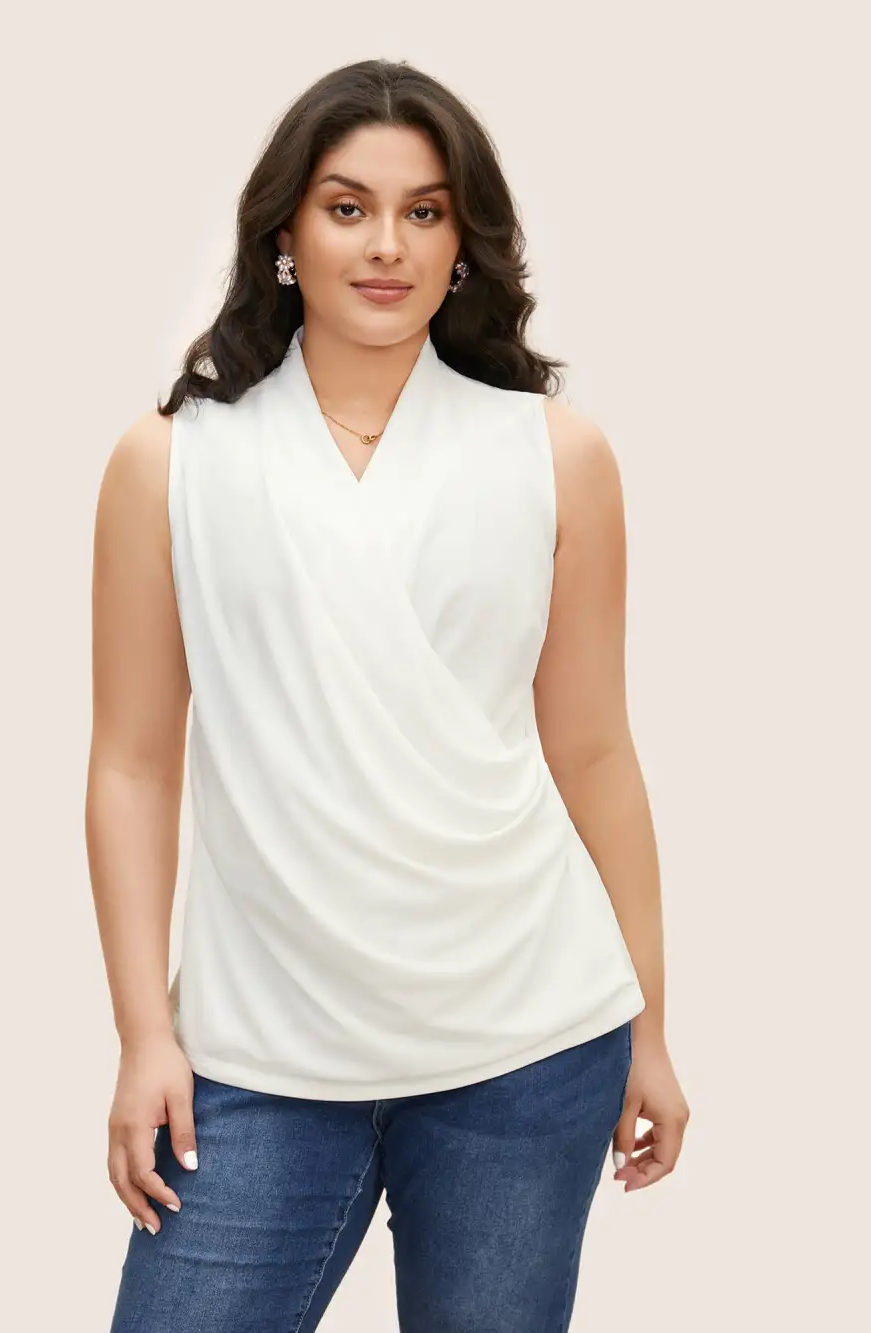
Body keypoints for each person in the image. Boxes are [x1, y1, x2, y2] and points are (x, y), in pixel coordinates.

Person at [87, 57, 690, 1333]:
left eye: (424, 211)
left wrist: (650, 1024)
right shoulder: (170, 463)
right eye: (347, 207)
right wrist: (145, 1034)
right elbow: (132, 764)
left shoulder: (555, 455)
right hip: (258, 1052)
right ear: (284, 233)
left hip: (527, 1043)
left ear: (464, 245)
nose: (386, 245)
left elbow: (593, 750)